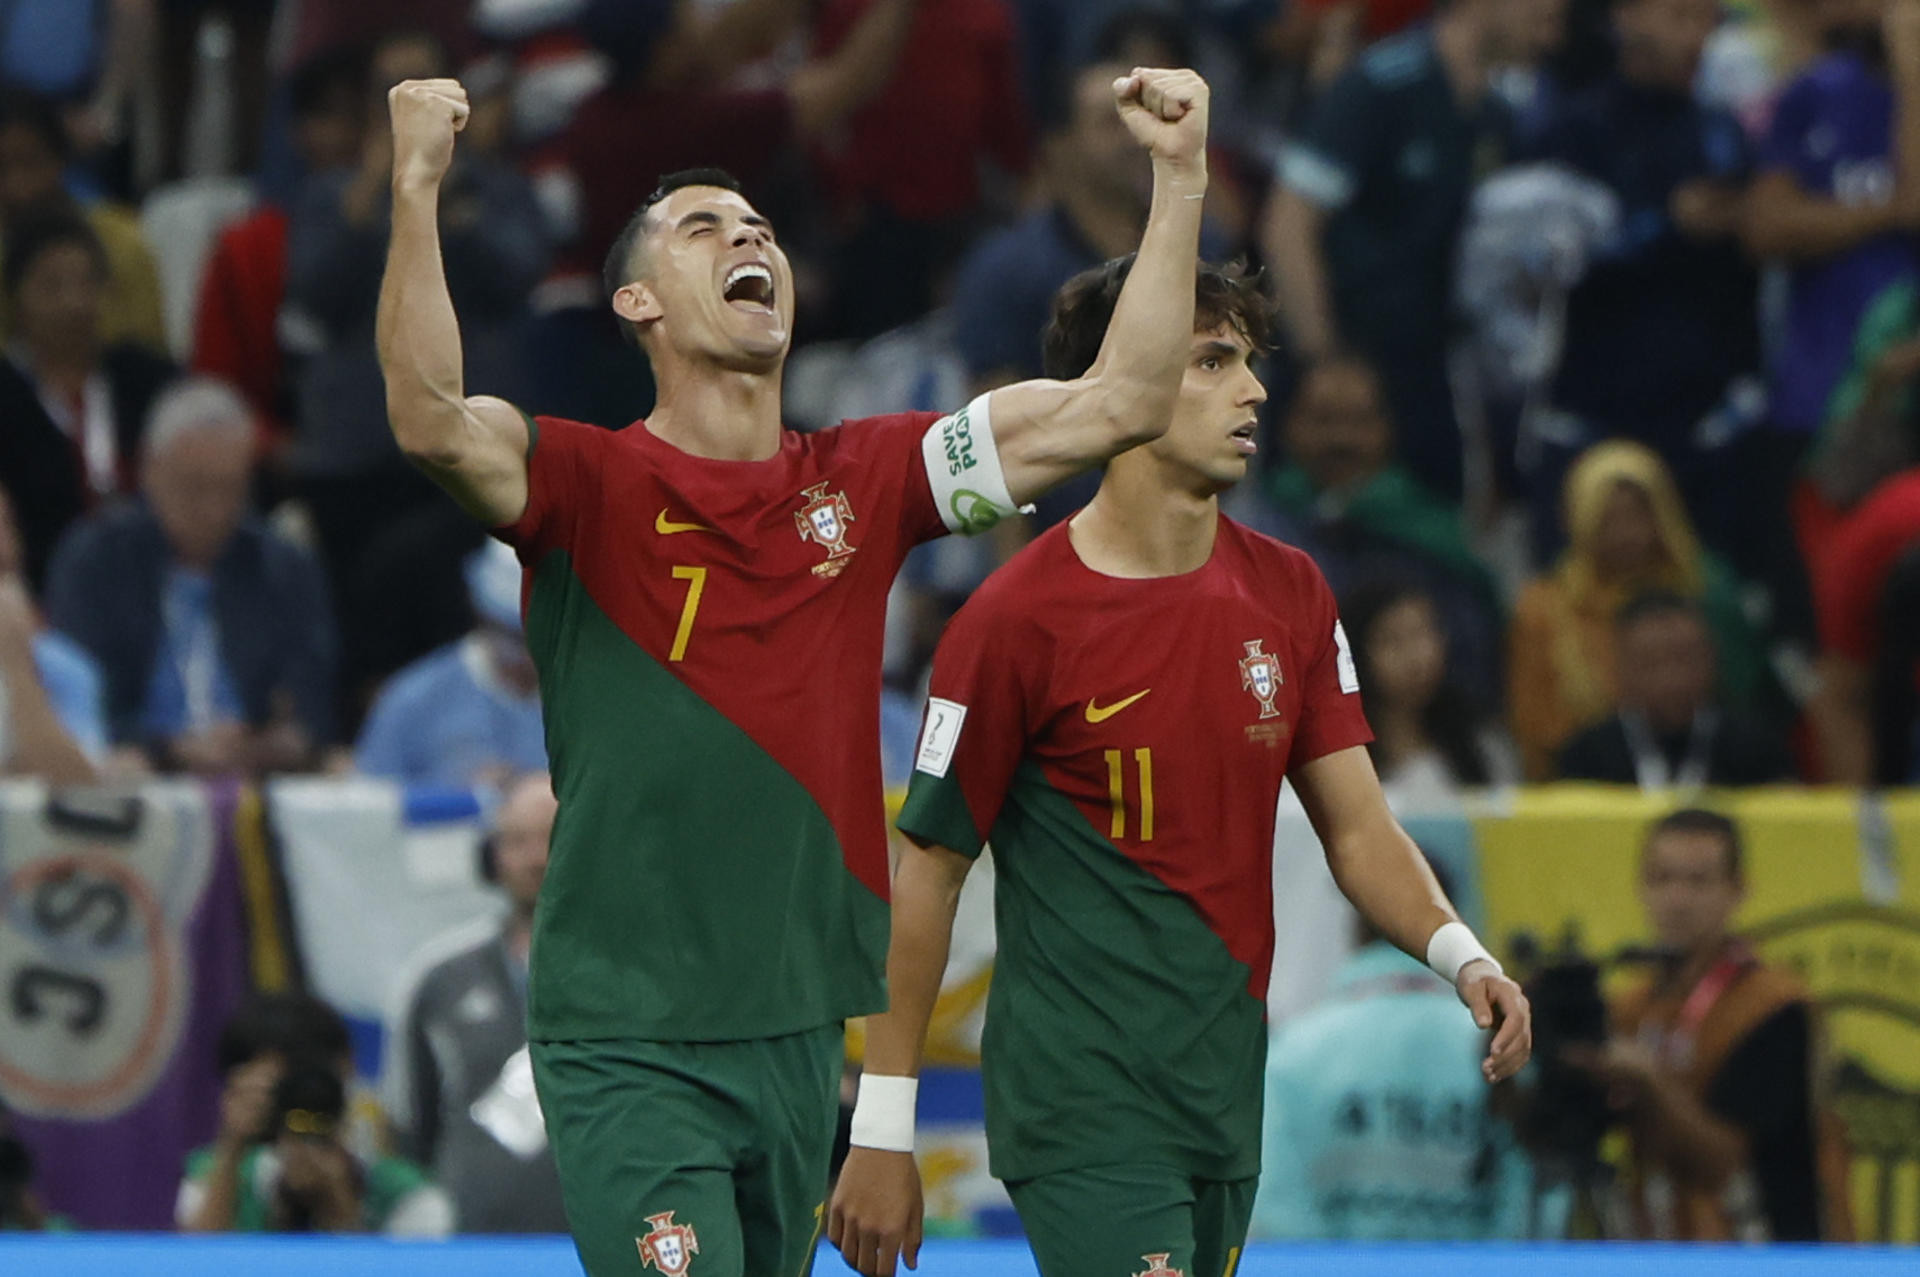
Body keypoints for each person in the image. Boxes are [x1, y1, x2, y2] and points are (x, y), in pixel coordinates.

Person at [376, 59, 1218, 1272]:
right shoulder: (584, 482)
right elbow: (428, 415)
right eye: (704, 228)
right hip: (626, 1038)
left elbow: (1121, 400)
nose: (746, 237)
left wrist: (1178, 176)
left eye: (758, 224)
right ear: (637, 304)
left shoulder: (867, 480)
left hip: (792, 1033)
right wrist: (417, 184)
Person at [827, 257, 1531, 1277]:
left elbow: (1361, 828)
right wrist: (884, 1126)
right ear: (1123, 384)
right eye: (1210, 360)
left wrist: (1464, 954)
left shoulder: (1292, 593)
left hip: (1222, 1087)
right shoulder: (1014, 620)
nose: (1252, 388)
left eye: (1247, 360)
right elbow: (926, 870)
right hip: (1083, 1100)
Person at [1263, 0, 1566, 499]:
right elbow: (1289, 224)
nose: (1553, 14)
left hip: (1427, 374)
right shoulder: (1382, 84)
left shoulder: (1496, 115)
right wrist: (1323, 358)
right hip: (1342, 375)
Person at [1525, 0, 1761, 560]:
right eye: (1680, 15)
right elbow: (1542, 268)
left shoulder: (1719, 131)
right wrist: (1664, 224)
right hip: (1592, 415)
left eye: (1707, 20)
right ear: (1626, 16)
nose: (1698, 36)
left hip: (1701, 425)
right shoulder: (1572, 130)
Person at [1569, 808, 1849, 1240]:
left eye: (1698, 882)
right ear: (1640, 887)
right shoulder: (1630, 1006)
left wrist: (1648, 1080)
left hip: (1765, 1251)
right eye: (1661, 879)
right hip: (1657, 1248)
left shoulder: (1772, 1008)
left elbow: (1725, 1167)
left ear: (1738, 891)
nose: (1677, 899)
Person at [45, 377, 335, 774]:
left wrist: (279, 740)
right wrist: (169, 749)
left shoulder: (283, 567)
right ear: (150, 471)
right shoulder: (95, 560)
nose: (214, 510)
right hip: (138, 775)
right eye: (194, 488)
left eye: (230, 489)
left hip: (255, 778)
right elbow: (80, 695)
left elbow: (315, 697)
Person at [1252, 861, 1535, 1239]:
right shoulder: (1506, 1049)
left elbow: (1277, 1213)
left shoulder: (1293, 1054)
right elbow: (1527, 1219)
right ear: (1461, 925)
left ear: (1355, 927)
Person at [1745, 0, 1920, 601]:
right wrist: (1884, 211)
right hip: (1821, 400)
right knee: (1827, 610)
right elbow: (1766, 227)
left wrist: (1914, 72)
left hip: (1910, 404)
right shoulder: (1817, 93)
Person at [1508, 440, 1768, 779]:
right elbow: (1532, 722)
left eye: (1637, 514)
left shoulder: (1706, 591)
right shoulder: (1545, 608)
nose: (1624, 534)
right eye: (1607, 518)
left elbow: (1743, 690)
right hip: (1586, 776)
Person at [1255, 357, 1504, 702]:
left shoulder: (1426, 528)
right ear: (1288, 425)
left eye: (1359, 421)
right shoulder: (1256, 528)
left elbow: (1470, 655)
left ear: (1387, 428)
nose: (1341, 438)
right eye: (1323, 420)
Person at [384, 773, 567, 1233]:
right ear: (490, 857)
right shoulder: (437, 977)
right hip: (473, 1242)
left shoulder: (639, 975)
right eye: (517, 842)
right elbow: (408, 1125)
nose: (535, 859)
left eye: (550, 838)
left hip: (604, 1242)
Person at [0, 208, 176, 590]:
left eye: (87, 283)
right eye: (52, 286)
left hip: (151, 579)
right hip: (36, 585)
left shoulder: (149, 381)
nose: (74, 302)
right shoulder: (7, 395)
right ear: (17, 297)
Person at [178, 992, 452, 1236]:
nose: (302, 1097)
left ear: (347, 1070)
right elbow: (192, 1263)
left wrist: (339, 1208)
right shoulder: (217, 1176)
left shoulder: (406, 1195)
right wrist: (231, 1147)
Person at [354, 539, 544, 787]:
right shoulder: (414, 701)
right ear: (481, 614)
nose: (529, 657)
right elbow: (369, 808)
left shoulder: (597, 700)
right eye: (514, 638)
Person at [1556, 592, 1796, 787]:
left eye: (1685, 660)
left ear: (1712, 661)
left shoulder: (1755, 748)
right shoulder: (1587, 758)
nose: (1673, 680)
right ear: (1621, 670)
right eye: (1652, 663)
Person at [0, 88, 165, 352]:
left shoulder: (124, 244)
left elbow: (150, 353)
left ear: (61, 161)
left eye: (30, 163)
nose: (16, 186)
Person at [1342, 579, 1517, 796]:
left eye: (1422, 634)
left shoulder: (1479, 741)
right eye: (1393, 640)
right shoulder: (1342, 758)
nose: (1417, 658)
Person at [0, 483, 103, 784]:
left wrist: (17, 663)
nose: (3, 546)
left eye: (6, 526)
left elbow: (78, 786)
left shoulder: (64, 665)